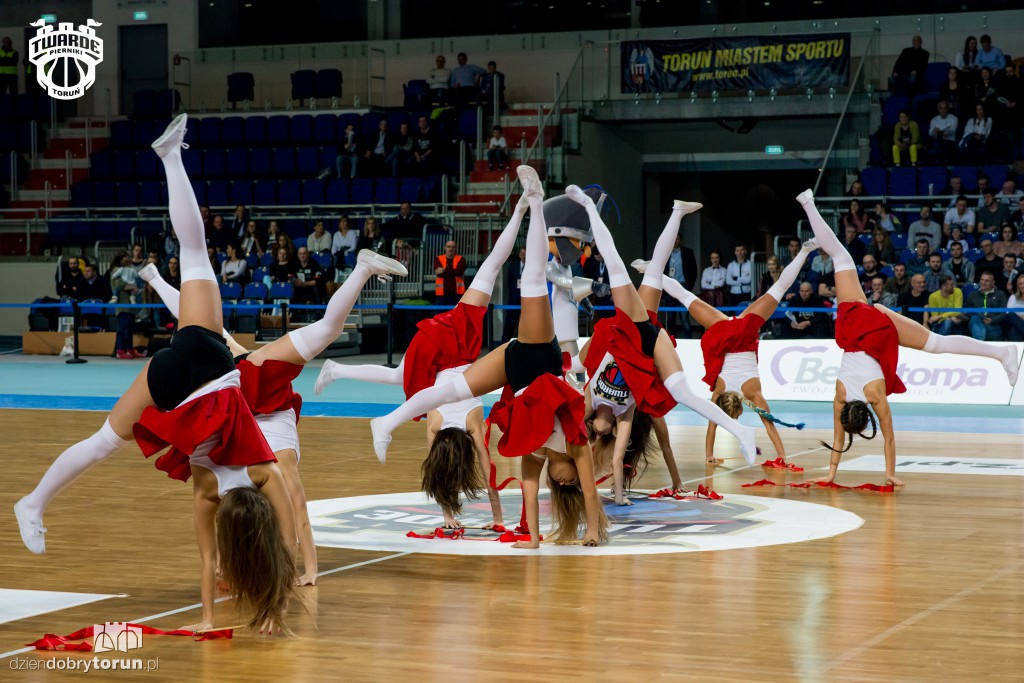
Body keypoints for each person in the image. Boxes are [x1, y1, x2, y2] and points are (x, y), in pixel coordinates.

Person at [15, 114, 301, 633]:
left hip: (209, 361)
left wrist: (275, 603)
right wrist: (243, 617)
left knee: (194, 255)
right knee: (103, 440)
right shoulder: (207, 489)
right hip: (171, 382)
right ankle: (30, 503)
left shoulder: (265, 474)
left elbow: (284, 542)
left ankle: (171, 155)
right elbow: (211, 564)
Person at [368, 167, 609, 548]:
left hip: (513, 365)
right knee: (531, 281)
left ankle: (385, 423)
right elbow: (593, 495)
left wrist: (531, 539)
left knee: (449, 390)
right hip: (539, 356)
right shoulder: (578, 447)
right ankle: (534, 201)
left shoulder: (535, 455)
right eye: (570, 482)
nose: (562, 481)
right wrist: (592, 533)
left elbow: (529, 489)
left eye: (560, 484)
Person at [141, 246, 406, 588]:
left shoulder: (265, 471)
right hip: (248, 392)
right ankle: (156, 278)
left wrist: (306, 570)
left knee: (207, 328)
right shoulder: (269, 470)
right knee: (206, 329)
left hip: (249, 391)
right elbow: (295, 518)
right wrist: (306, 570)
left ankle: (157, 279)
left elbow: (292, 518)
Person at [316, 201, 530, 529]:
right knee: (399, 377)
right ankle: (338, 371)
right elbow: (449, 476)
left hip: (449, 346)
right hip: (443, 351)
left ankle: (519, 210)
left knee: (493, 265)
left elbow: (488, 475)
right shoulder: (435, 428)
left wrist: (492, 519)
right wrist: (464, 518)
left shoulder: (471, 423)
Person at [797, 190, 1018, 488]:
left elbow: (888, 438)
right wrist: (830, 475)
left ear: (865, 420)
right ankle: (808, 202)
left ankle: (1002, 355)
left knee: (938, 345)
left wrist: (889, 474)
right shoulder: (839, 396)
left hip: (879, 333)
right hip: (859, 324)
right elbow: (839, 438)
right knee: (840, 255)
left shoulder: (875, 396)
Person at [652, 239, 815, 466]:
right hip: (724, 333)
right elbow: (712, 427)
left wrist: (783, 457)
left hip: (742, 332)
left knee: (778, 290)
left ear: (738, 407)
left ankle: (805, 250)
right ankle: (652, 269)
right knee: (687, 298)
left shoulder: (752, 395)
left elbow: (770, 426)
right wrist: (708, 454)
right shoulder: (719, 392)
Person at [966, 271, 1008, 340]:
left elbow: (1004, 313)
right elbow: (967, 311)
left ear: (993, 282)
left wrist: (992, 320)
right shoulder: (972, 295)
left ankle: (979, 343)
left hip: (994, 327)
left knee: (978, 329)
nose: (983, 283)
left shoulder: (1000, 294)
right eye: (982, 280)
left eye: (987, 281)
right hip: (976, 324)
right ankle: (980, 341)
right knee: (975, 318)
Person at [503, 247, 526, 341]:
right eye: (522, 254)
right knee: (510, 321)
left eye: (526, 254)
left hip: (527, 298)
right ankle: (504, 342)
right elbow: (509, 282)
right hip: (514, 298)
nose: (524, 256)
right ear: (519, 255)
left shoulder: (532, 267)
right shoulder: (513, 266)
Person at [434, 240, 466, 306]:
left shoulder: (461, 259)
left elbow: (459, 272)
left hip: (457, 294)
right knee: (440, 315)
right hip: (442, 295)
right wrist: (453, 271)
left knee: (457, 315)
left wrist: (444, 270)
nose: (451, 249)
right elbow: (439, 273)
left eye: (453, 247)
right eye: (449, 247)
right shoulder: (438, 259)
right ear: (445, 248)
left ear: (456, 248)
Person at [1006, 274, 1024, 341]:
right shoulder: (1013, 297)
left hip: (1016, 327)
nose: (1022, 286)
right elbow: (1008, 313)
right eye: (1020, 284)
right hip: (1016, 321)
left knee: (1014, 330)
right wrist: (1020, 317)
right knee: (1010, 315)